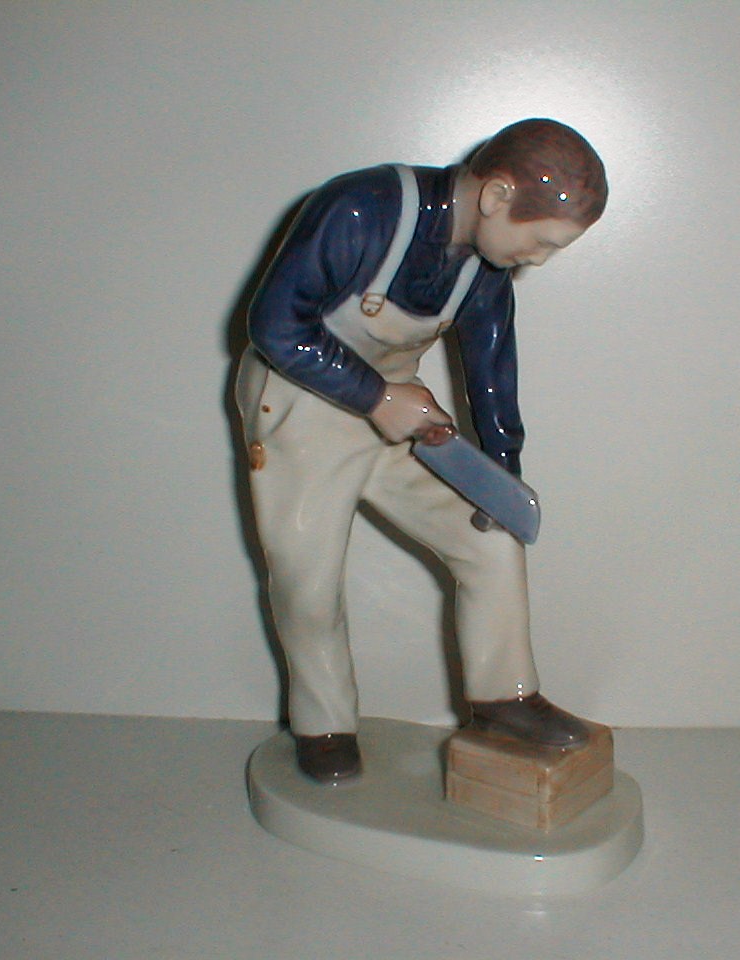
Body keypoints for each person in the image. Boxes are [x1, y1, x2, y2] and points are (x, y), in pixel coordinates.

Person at [237, 118, 608, 784]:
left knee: (489, 542)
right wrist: (376, 396)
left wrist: (498, 475)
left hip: (401, 412)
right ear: (497, 196)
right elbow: (274, 324)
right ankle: (323, 724)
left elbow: (491, 373)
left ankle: (504, 698)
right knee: (309, 583)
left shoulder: (484, 268)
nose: (538, 260)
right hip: (301, 407)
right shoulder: (363, 210)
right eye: (541, 241)